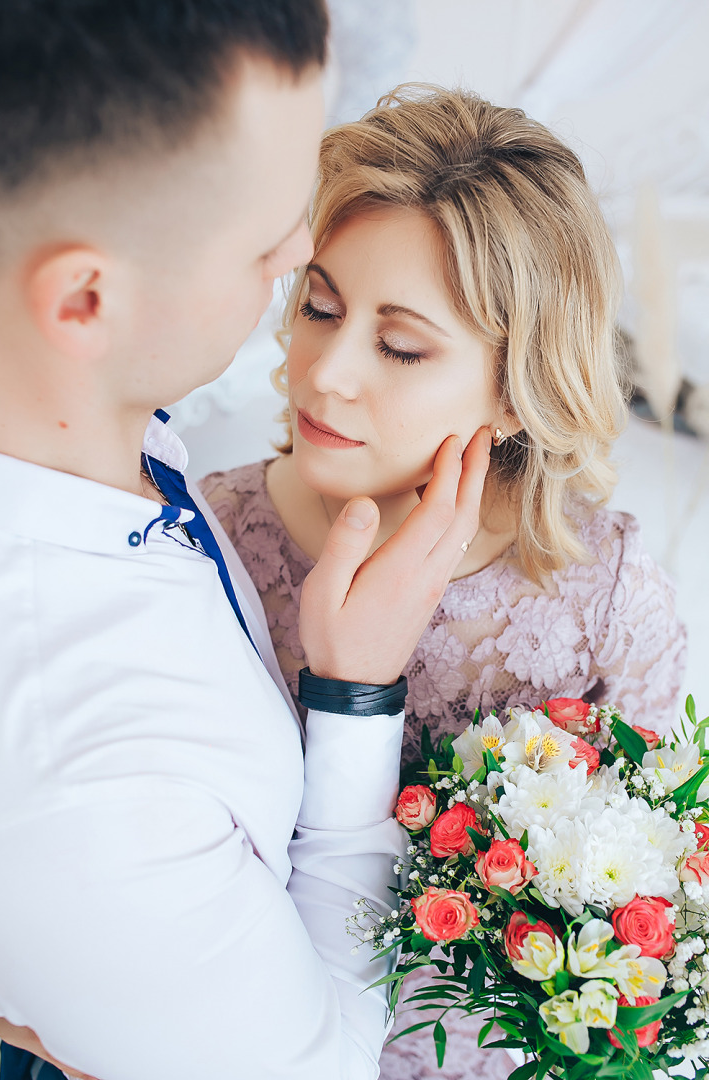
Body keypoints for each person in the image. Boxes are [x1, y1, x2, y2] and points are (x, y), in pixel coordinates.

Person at [0, 9, 492, 1080]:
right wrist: (356, 701)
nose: (304, 247)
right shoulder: (93, 793)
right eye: (269, 237)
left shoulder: (99, 428)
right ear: (87, 298)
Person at [200, 84, 688, 1080]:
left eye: (399, 345)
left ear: (517, 388)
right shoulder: (201, 544)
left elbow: (651, 931)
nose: (326, 370)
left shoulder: (603, 600)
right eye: (320, 306)